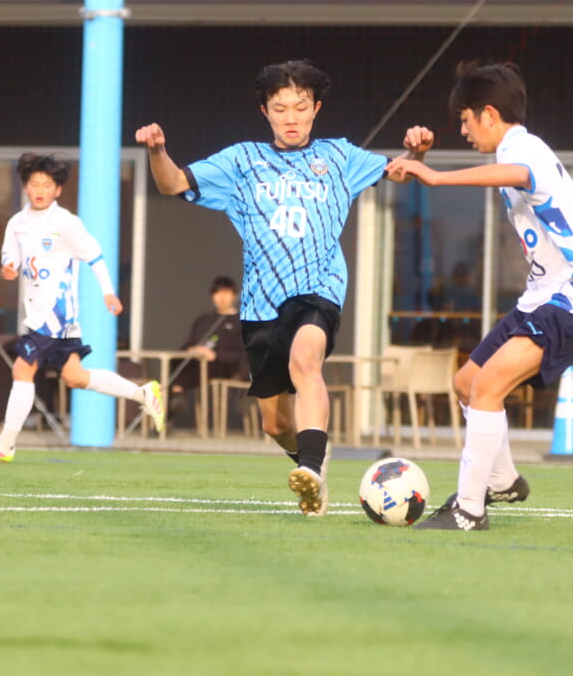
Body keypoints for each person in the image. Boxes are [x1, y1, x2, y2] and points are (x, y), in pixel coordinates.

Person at [135, 59, 424, 515]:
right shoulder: (241, 161)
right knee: (274, 423)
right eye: (281, 108)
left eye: (301, 107)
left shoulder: (340, 156)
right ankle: (315, 457)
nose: (292, 118)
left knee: (305, 361)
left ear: (317, 109)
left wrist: (418, 152)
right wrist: (157, 150)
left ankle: (309, 467)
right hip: (261, 304)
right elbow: (172, 183)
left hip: (319, 289)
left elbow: (403, 172)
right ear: (265, 112)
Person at [386, 61, 573, 530]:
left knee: (489, 387)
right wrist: (419, 160)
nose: (463, 130)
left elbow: (519, 174)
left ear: (488, 114)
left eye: (465, 119)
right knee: (468, 383)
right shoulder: (515, 148)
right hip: (545, 295)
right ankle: (503, 480)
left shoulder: (524, 149)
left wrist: (434, 176)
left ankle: (469, 511)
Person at [0, 153, 164, 463]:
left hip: (56, 313)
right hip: (38, 312)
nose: (40, 190)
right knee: (75, 376)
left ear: (58, 190)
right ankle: (144, 393)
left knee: (22, 368)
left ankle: (6, 443)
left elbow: (95, 257)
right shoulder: (16, 223)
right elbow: (10, 257)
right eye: (35, 184)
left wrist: (108, 293)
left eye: (47, 185)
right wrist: (8, 267)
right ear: (26, 187)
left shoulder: (66, 223)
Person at [170, 276, 246, 398]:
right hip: (198, 363)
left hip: (225, 366)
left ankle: (177, 397)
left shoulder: (242, 322)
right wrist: (192, 350)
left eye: (226, 293)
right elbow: (188, 344)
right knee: (175, 361)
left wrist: (215, 355)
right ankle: (176, 397)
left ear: (234, 295)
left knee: (203, 369)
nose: (221, 298)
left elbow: (243, 354)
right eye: (217, 293)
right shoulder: (203, 321)